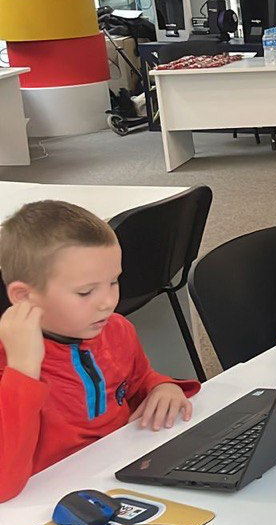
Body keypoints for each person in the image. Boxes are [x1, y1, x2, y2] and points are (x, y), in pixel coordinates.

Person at [0, 201, 201, 502]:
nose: (108, 302)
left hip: (120, 475)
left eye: (113, 282)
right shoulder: (9, 366)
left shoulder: (116, 330)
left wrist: (162, 387)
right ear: (24, 296)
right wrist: (23, 371)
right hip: (48, 503)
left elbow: (136, 383)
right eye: (85, 292)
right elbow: (4, 484)